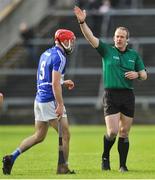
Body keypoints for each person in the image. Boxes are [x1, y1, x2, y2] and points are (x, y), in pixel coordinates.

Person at [74, 6, 147, 172]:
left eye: (122, 37)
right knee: (113, 131)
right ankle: (105, 157)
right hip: (111, 95)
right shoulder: (107, 50)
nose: (118, 39)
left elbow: (144, 75)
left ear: (127, 40)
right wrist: (82, 22)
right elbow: (90, 37)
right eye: (116, 36)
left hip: (128, 95)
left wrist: (137, 74)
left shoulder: (133, 55)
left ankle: (122, 165)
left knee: (124, 132)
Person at [2, 29, 76, 175]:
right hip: (50, 100)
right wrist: (60, 104)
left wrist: (62, 81)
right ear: (63, 41)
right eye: (70, 41)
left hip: (39, 99)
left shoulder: (46, 53)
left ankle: (12, 157)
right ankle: (63, 167)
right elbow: (54, 84)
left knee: (39, 136)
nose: (71, 44)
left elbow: (45, 79)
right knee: (66, 134)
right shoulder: (60, 57)